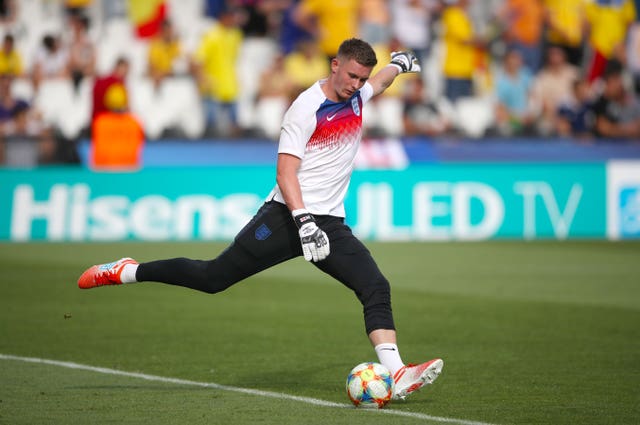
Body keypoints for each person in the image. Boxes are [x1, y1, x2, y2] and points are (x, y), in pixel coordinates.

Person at [77, 38, 443, 401]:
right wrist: (304, 222)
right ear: (334, 65)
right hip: (287, 217)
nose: (356, 85)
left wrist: (399, 63)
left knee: (375, 286)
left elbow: (381, 81)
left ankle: (395, 372)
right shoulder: (305, 108)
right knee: (213, 278)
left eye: (361, 79)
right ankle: (128, 270)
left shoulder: (359, 95)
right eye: (351, 76)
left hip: (329, 223)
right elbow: (286, 173)